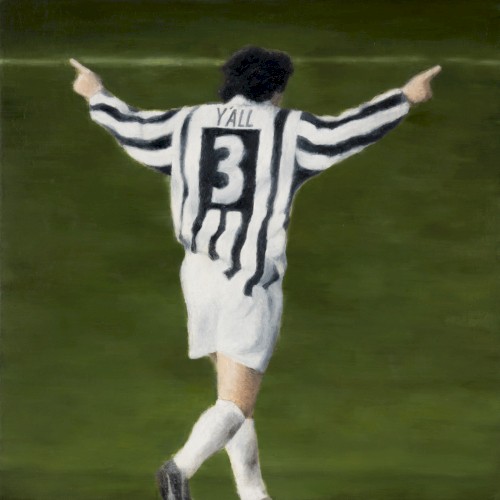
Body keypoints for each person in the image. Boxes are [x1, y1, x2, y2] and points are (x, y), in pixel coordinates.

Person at [70, 46, 441, 500]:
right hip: (248, 281)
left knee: (235, 398)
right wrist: (405, 97)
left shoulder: (186, 122)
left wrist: (95, 93)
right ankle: (179, 468)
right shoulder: (288, 129)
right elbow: (346, 132)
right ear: (277, 90)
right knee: (235, 402)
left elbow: (134, 129)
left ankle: (252, 492)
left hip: (198, 277)